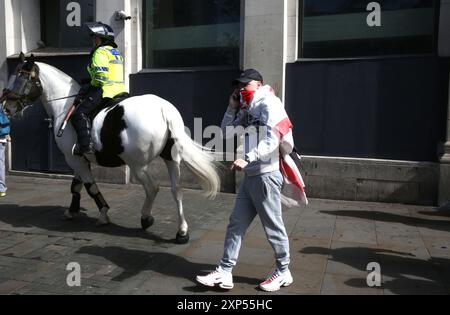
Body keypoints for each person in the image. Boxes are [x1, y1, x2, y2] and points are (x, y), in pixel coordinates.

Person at [196, 69, 296, 292]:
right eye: (238, 86)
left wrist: (247, 158)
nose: (241, 89)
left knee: (273, 227)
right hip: (252, 177)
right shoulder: (247, 107)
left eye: (245, 85)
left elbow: (274, 138)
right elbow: (225, 133)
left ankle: (283, 271)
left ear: (259, 84)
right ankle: (224, 271)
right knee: (235, 225)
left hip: (267, 175)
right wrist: (232, 107)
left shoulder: (270, 103)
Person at [71, 22, 127, 156]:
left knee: (79, 114)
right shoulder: (115, 52)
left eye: (96, 37)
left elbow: (101, 77)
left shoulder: (100, 52)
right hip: (120, 89)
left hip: (106, 90)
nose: (93, 40)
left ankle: (85, 146)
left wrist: (90, 85)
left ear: (103, 38)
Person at [0, 102, 10, 197]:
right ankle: (1, 189)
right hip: (1, 137)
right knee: (1, 164)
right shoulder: (2, 106)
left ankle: (1, 188)